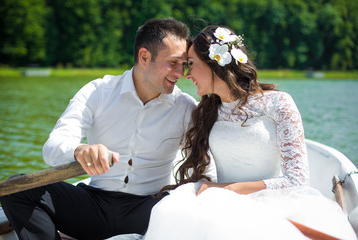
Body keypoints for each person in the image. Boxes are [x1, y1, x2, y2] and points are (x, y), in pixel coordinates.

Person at [143, 26, 357, 240]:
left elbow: (297, 179)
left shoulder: (278, 103)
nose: (186, 75)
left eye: (190, 64)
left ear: (214, 63)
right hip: (221, 201)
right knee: (168, 210)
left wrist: (227, 189)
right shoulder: (206, 111)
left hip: (274, 201)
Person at [0, 18, 203, 240]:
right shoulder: (98, 91)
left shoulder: (186, 107)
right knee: (16, 188)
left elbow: (204, 161)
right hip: (92, 206)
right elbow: (53, 148)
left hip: (148, 211)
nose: (180, 73)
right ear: (144, 57)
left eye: (184, 65)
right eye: (173, 63)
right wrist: (79, 151)